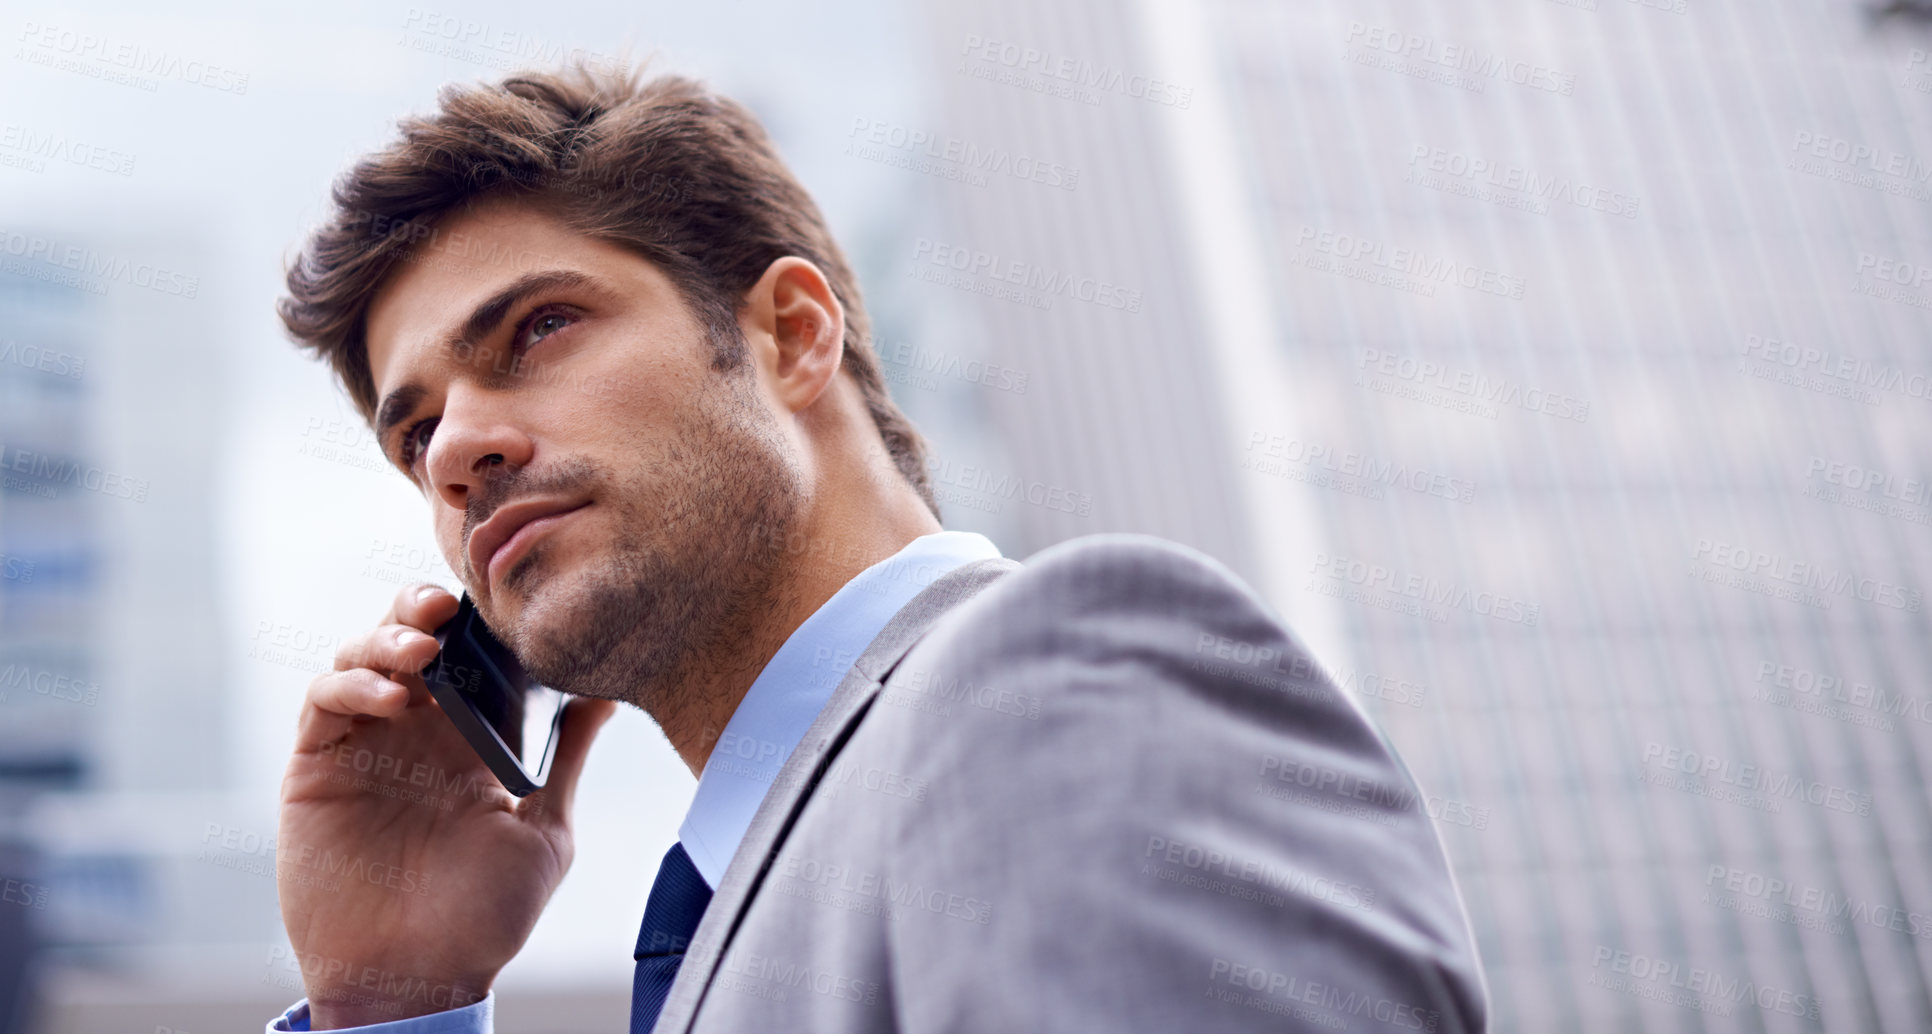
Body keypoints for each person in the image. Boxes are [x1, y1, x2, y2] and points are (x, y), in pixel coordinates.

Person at [266, 64, 1488, 1033]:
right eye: (414, 428)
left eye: (536, 328)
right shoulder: (755, 880)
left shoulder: (1058, 681)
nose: (457, 450)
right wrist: (393, 1003)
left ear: (793, 335)